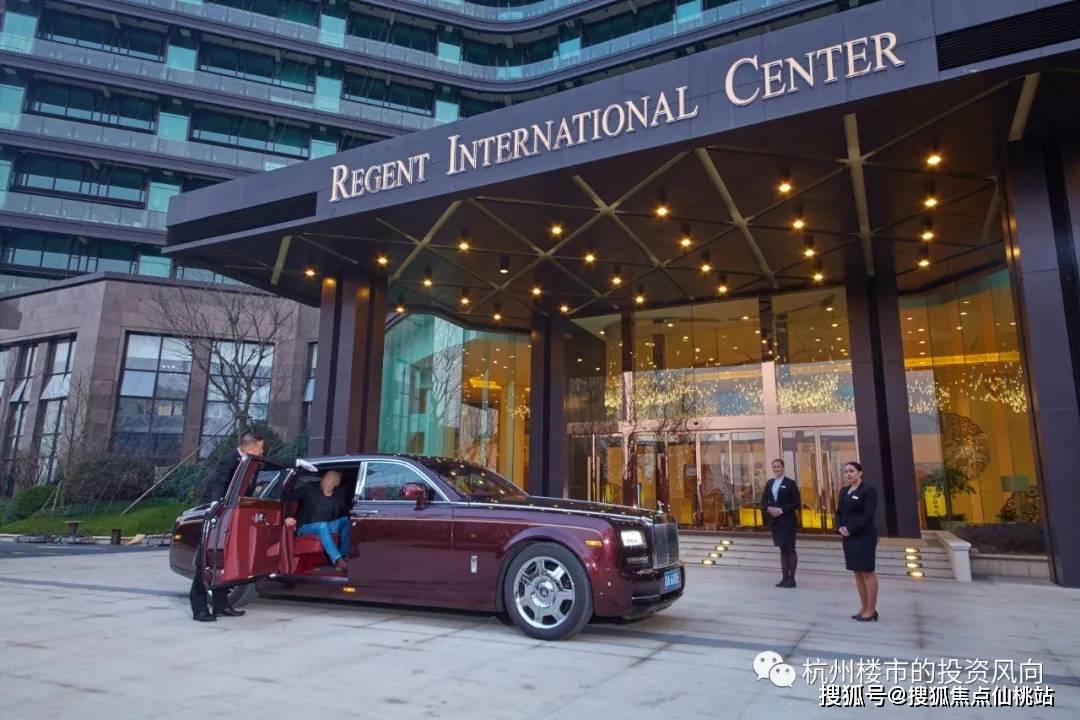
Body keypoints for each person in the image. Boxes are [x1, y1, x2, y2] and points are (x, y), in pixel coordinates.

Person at [189, 431, 265, 623]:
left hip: (231, 513)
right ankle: (199, 608)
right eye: (260, 448)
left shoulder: (250, 462)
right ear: (250, 448)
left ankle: (221, 605)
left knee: (224, 560)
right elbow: (219, 484)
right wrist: (215, 506)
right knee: (206, 562)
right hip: (215, 514)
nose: (262, 452)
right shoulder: (229, 460)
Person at [836, 461, 879, 621]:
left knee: (867, 571)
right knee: (857, 572)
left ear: (860, 473)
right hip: (848, 537)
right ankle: (863, 606)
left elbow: (868, 515)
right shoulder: (843, 491)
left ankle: (871, 609)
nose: (848, 474)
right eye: (846, 471)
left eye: (851, 471)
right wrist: (840, 527)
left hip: (863, 535)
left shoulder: (868, 490)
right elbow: (839, 512)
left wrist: (851, 529)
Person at [285, 470, 351, 571]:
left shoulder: (338, 496)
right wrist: (288, 517)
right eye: (326, 477)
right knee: (322, 526)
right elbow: (287, 497)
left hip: (327, 525)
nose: (327, 479)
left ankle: (343, 555)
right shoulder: (310, 488)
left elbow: (344, 512)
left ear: (336, 483)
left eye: (331, 478)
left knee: (347, 520)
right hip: (305, 527)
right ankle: (338, 561)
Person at [760, 458, 800, 588]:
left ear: (783, 468)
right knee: (782, 549)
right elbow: (764, 500)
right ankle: (784, 578)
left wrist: (781, 510)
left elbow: (796, 502)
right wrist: (769, 508)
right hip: (776, 522)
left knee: (790, 548)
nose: (776, 469)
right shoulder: (770, 483)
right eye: (774, 467)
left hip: (787, 521)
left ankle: (792, 579)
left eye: (778, 466)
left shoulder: (790, 483)